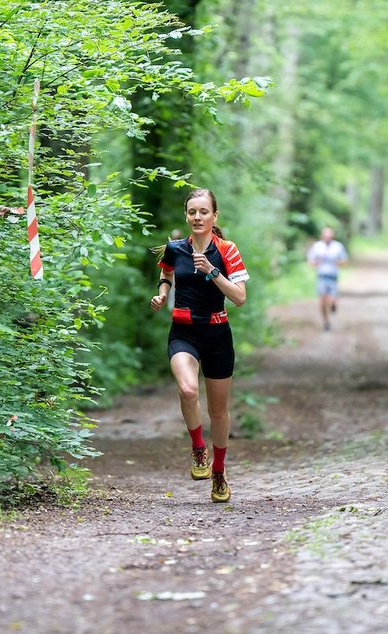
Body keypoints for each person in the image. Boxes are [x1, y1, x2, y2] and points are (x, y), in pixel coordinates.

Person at [150, 189, 249, 503]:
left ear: (214, 216)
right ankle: (197, 449)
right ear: (186, 215)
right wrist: (163, 292)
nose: (197, 217)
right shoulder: (175, 249)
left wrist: (212, 271)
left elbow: (239, 297)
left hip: (217, 334)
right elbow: (166, 271)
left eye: (203, 212)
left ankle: (218, 472)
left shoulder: (227, 250)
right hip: (183, 332)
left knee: (218, 413)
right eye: (192, 212)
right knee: (188, 390)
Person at [306, 227, 348, 331]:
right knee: (322, 301)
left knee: (331, 299)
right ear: (322, 236)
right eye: (326, 235)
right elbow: (311, 260)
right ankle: (326, 321)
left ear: (332, 236)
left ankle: (333, 305)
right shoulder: (317, 246)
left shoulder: (338, 246)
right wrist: (314, 264)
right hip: (321, 276)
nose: (327, 237)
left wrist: (338, 263)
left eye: (329, 235)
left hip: (333, 276)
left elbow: (344, 260)